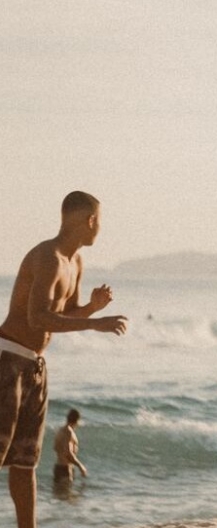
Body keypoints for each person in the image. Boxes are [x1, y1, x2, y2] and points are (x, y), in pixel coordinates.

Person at [0, 191, 128, 528]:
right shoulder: (48, 257)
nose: (99, 227)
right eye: (98, 220)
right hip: (7, 361)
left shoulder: (75, 262)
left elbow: (64, 313)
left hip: (35, 366)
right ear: (88, 220)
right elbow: (37, 318)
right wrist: (94, 323)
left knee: (26, 461)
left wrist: (90, 309)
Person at [53, 409, 87, 486]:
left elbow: (55, 447)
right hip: (65, 469)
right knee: (67, 496)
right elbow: (68, 453)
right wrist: (80, 466)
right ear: (77, 420)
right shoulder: (69, 432)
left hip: (58, 467)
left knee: (59, 495)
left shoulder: (60, 430)